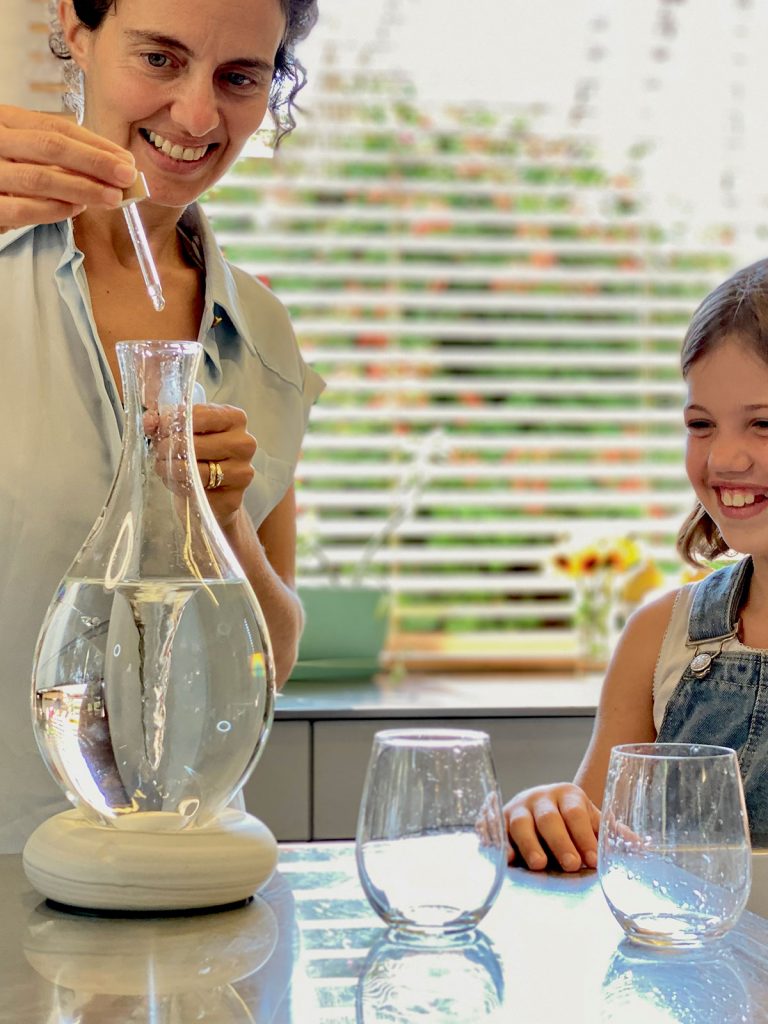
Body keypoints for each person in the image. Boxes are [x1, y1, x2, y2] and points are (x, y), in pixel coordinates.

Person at [0, 0, 322, 850]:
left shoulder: (262, 332)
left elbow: (272, 657)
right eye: (159, 58)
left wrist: (221, 521)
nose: (196, 115)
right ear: (77, 25)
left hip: (184, 888)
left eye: (239, 78)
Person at [504, 258, 768, 872]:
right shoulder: (661, 637)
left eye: (764, 424)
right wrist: (549, 816)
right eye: (700, 425)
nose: (725, 457)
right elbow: (593, 846)